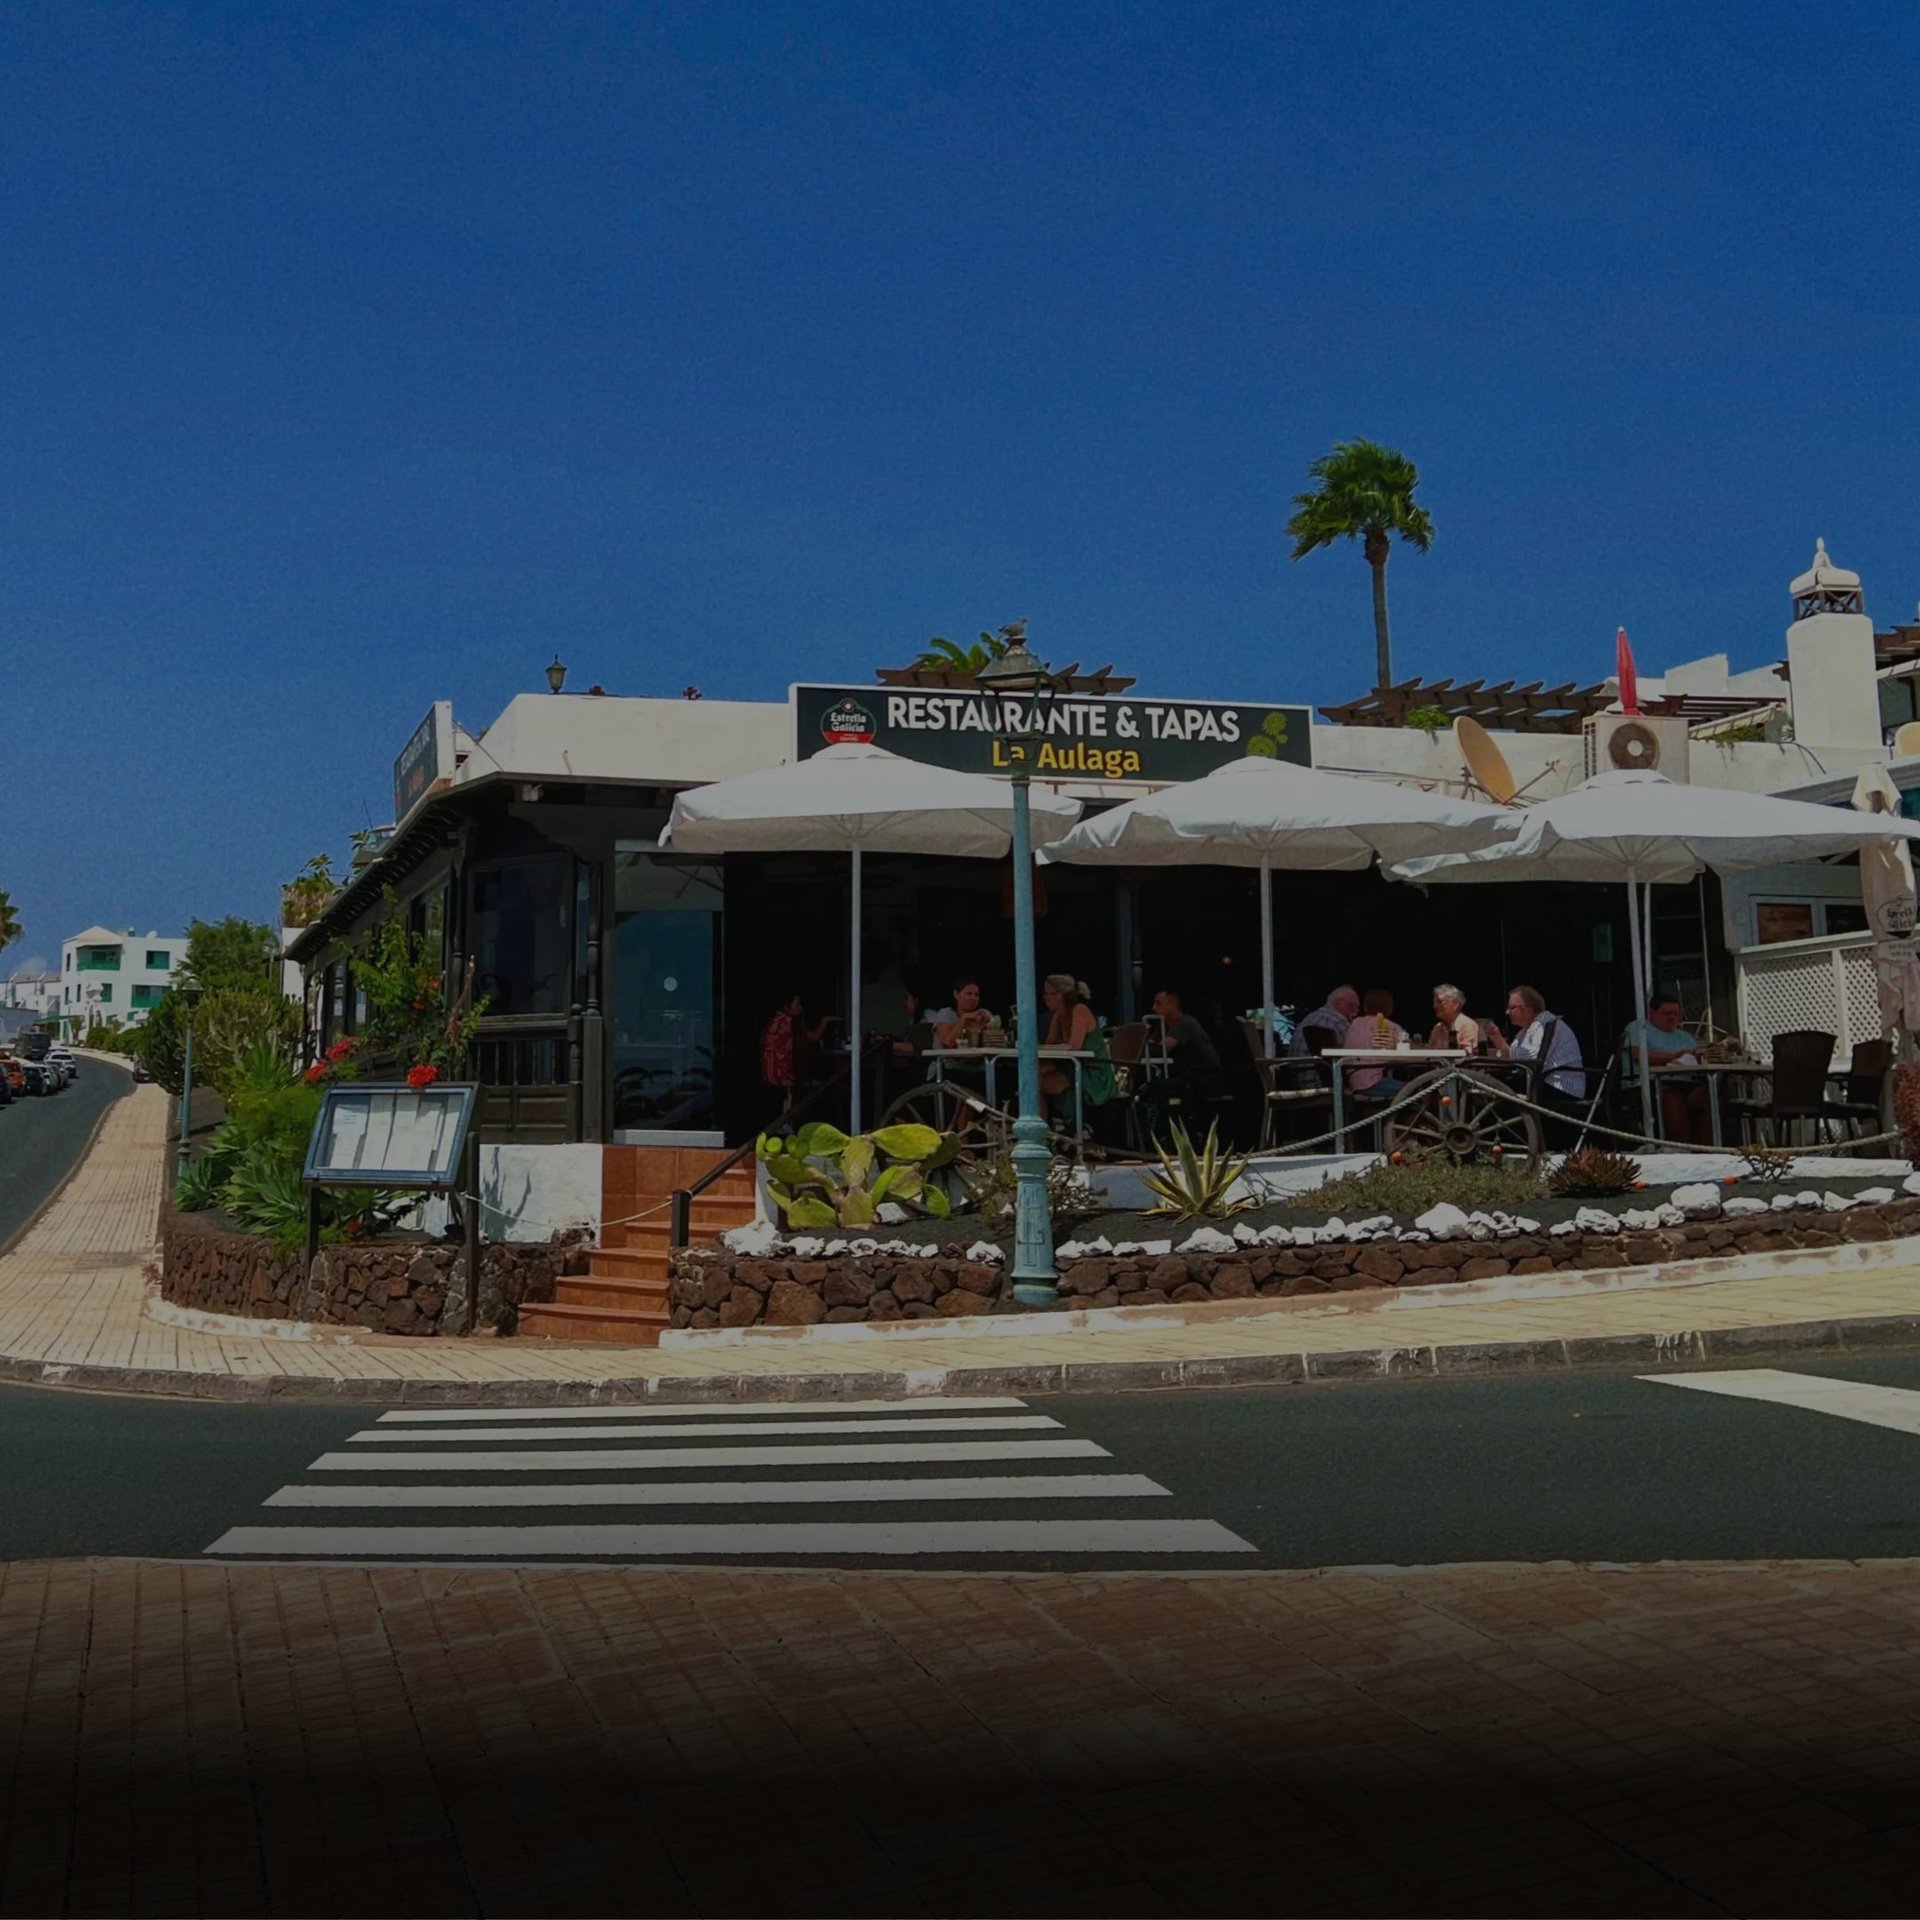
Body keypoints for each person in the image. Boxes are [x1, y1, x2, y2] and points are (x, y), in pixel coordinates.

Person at [1138, 987, 1224, 1142]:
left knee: (1162, 1090)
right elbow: (1148, 1049)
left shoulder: (1185, 1022)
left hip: (1205, 1077)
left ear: (1172, 1004)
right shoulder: (1163, 1026)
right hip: (1186, 1077)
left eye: (1158, 1003)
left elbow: (1161, 1050)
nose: (1153, 1008)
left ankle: (1176, 1135)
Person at [1622, 992, 1711, 1143]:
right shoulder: (1638, 1028)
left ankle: (1707, 1147)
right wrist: (1674, 1056)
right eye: (1666, 1013)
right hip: (1645, 1082)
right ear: (1651, 1013)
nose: (1671, 1017)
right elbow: (1637, 1054)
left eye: (1675, 1014)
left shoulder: (1685, 1037)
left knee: (1710, 1096)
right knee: (1671, 1096)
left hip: (1685, 1081)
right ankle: (1681, 1147)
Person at [1484, 985, 1586, 1105]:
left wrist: (1495, 1049)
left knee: (1495, 1085)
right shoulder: (1525, 1031)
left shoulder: (1544, 1023)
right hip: (1543, 1083)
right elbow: (1513, 1056)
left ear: (1527, 1009)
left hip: (1560, 1087)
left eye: (1512, 1008)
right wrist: (1496, 1038)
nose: (1507, 1012)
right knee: (1494, 1082)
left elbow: (1531, 1057)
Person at [1041, 974, 1114, 1120]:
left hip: (1092, 1072)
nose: (1045, 998)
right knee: (1034, 1073)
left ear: (1060, 995)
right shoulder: (1057, 1016)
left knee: (1039, 1083)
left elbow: (1074, 1046)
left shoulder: (1080, 1010)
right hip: (1072, 1066)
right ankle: (1042, 1125)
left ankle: (1046, 1124)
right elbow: (1049, 1045)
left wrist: (1055, 1049)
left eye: (1048, 993)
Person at [758, 990, 835, 1110]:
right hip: (781, 1074)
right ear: (787, 1007)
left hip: (768, 1074)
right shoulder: (789, 1022)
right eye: (797, 1005)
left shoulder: (775, 1020)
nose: (800, 1008)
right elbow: (813, 1037)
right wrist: (824, 1022)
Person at [1342, 989, 1408, 1094]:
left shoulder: (1355, 1023)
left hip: (1353, 1084)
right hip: (1373, 1083)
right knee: (1418, 1089)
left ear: (1366, 1006)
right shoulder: (1390, 1026)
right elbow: (1407, 1052)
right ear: (1389, 1007)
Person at [928, 975, 997, 1049]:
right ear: (956, 994)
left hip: (976, 1056)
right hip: (946, 1056)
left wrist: (986, 1027)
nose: (973, 998)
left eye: (976, 995)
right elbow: (947, 1044)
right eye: (969, 994)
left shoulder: (984, 1013)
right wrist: (964, 1019)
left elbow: (996, 1043)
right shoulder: (945, 1014)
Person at [1291, 985, 1359, 1057]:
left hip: (1295, 1063)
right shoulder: (1338, 1021)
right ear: (1338, 1003)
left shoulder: (1309, 1018)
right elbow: (1355, 1053)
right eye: (1351, 1006)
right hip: (1318, 1064)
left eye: (1357, 1007)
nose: (1355, 1012)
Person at [1427, 983, 1481, 1053]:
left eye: (1439, 1002)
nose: (1435, 1006)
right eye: (1434, 1002)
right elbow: (1430, 1054)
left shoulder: (1468, 1025)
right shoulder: (1437, 1028)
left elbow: (1467, 1055)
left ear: (1455, 1004)